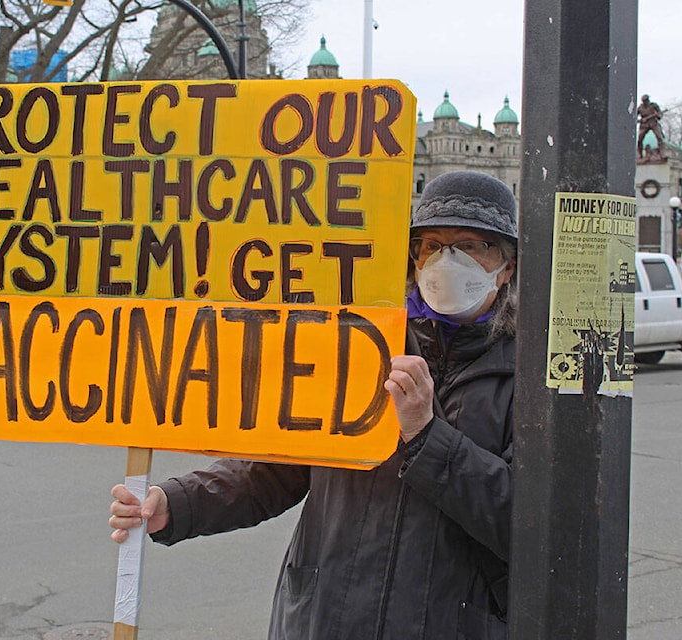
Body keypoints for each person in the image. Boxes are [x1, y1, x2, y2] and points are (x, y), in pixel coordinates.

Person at [109, 171, 518, 639]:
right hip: (325, 618)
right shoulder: (360, 343)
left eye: (468, 245)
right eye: (431, 245)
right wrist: (174, 504)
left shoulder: (529, 377)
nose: (447, 261)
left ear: (505, 266)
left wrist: (427, 436)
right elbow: (277, 469)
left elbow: (526, 526)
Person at [637, 94, 665, 159]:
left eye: (647, 100)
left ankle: (662, 153)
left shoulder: (653, 105)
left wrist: (658, 116)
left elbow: (660, 113)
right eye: (645, 101)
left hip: (653, 123)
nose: (647, 101)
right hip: (644, 125)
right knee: (640, 139)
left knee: (659, 137)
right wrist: (640, 120)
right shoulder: (640, 108)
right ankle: (640, 154)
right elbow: (634, 116)